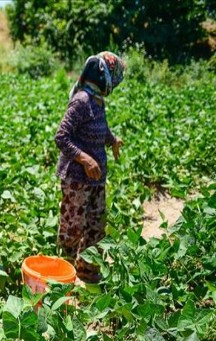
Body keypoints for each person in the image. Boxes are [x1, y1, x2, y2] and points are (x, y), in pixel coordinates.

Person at [54, 51, 126, 283]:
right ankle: (62, 277)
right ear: (104, 77)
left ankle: (87, 272)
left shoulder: (97, 101)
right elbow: (61, 137)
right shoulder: (82, 100)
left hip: (96, 180)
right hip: (76, 180)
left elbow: (101, 130)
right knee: (72, 228)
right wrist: (85, 159)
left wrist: (112, 140)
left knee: (96, 227)